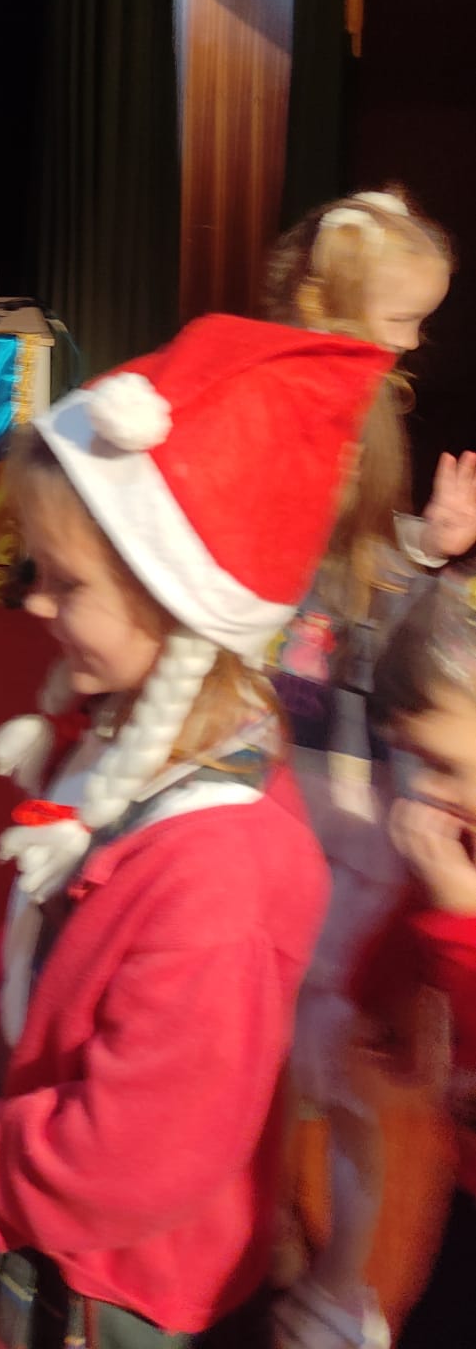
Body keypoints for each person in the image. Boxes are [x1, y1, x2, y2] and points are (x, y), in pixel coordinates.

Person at [0, 314, 392, 1346]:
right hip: (34, 1176)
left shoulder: (221, 876)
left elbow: (132, 1163)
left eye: (65, 583)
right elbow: (37, 920)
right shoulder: (122, 734)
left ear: (176, 605)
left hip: (115, 1281)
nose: (33, 605)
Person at [260, 187, 476, 1349]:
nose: (415, 342)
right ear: (337, 306)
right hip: (301, 769)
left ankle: (335, 1281)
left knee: (322, 1051)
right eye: (402, 317)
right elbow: (306, 593)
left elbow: (341, 589)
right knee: (303, 1045)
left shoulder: (356, 408)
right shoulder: (303, 415)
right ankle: (314, 1266)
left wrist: (419, 552)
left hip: (337, 776)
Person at [350, 568, 476, 1347]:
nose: (421, 793)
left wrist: (460, 913)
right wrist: (381, 1008)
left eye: (441, 766)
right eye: (408, 761)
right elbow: (406, 925)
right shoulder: (454, 832)